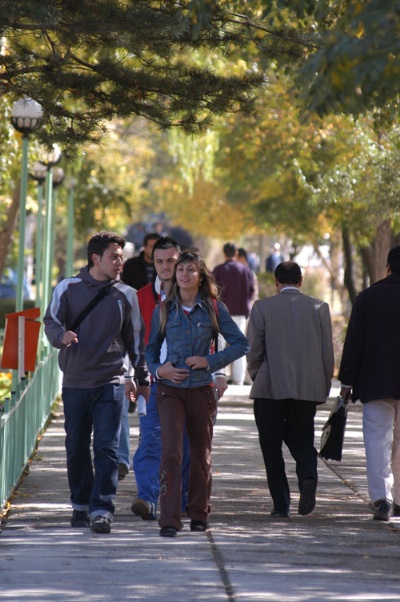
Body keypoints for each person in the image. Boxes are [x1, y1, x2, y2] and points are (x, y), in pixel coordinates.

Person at [44, 231, 150, 534]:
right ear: (95, 258)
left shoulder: (127, 294)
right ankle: (80, 504)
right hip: (76, 382)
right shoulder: (68, 287)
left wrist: (140, 379)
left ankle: (102, 509)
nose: (120, 262)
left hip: (111, 381)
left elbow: (136, 342)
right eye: (114, 256)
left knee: (106, 449)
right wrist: (60, 336)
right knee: (76, 446)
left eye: (121, 256)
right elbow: (51, 321)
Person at [146, 252, 249, 537]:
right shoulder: (164, 309)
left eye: (191, 270)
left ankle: (199, 513)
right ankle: (168, 519)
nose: (184, 274)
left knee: (201, 456)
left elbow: (242, 343)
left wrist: (211, 362)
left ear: (200, 276)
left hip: (201, 391)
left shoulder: (214, 308)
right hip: (170, 392)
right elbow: (151, 350)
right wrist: (159, 371)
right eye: (181, 269)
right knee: (171, 454)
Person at [247, 261, 334, 518]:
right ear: (301, 280)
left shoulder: (262, 307)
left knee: (271, 446)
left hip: (269, 387)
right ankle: (308, 477)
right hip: (306, 388)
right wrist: (323, 384)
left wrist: (257, 375)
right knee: (303, 440)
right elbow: (327, 354)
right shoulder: (320, 307)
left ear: (276, 282)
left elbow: (253, 349)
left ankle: (281, 504)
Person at [338, 246, 400, 522]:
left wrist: (347, 381)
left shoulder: (368, 297)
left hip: (375, 382)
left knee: (377, 440)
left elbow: (354, 343)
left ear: (388, 267)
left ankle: (381, 499)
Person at [213, 242, 255, 385]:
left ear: (224, 253)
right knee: (239, 345)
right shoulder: (245, 270)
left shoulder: (218, 270)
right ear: (236, 253)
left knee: (219, 346)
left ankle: (218, 376)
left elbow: (212, 292)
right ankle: (238, 378)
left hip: (221, 313)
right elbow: (251, 291)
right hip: (240, 312)